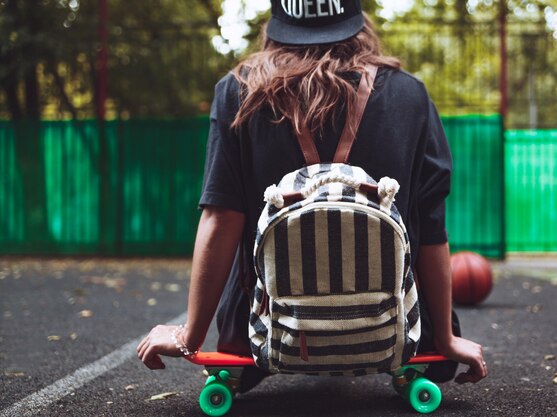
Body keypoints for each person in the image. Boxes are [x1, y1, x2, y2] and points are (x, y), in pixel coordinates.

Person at [137, 0, 487, 388]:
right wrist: (447, 338)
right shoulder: (411, 95)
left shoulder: (239, 91)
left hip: (264, 330)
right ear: (356, 20)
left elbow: (222, 219)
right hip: (398, 329)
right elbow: (431, 229)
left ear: (279, 22)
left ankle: (246, 354)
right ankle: (411, 357)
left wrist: (190, 336)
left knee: (246, 267)